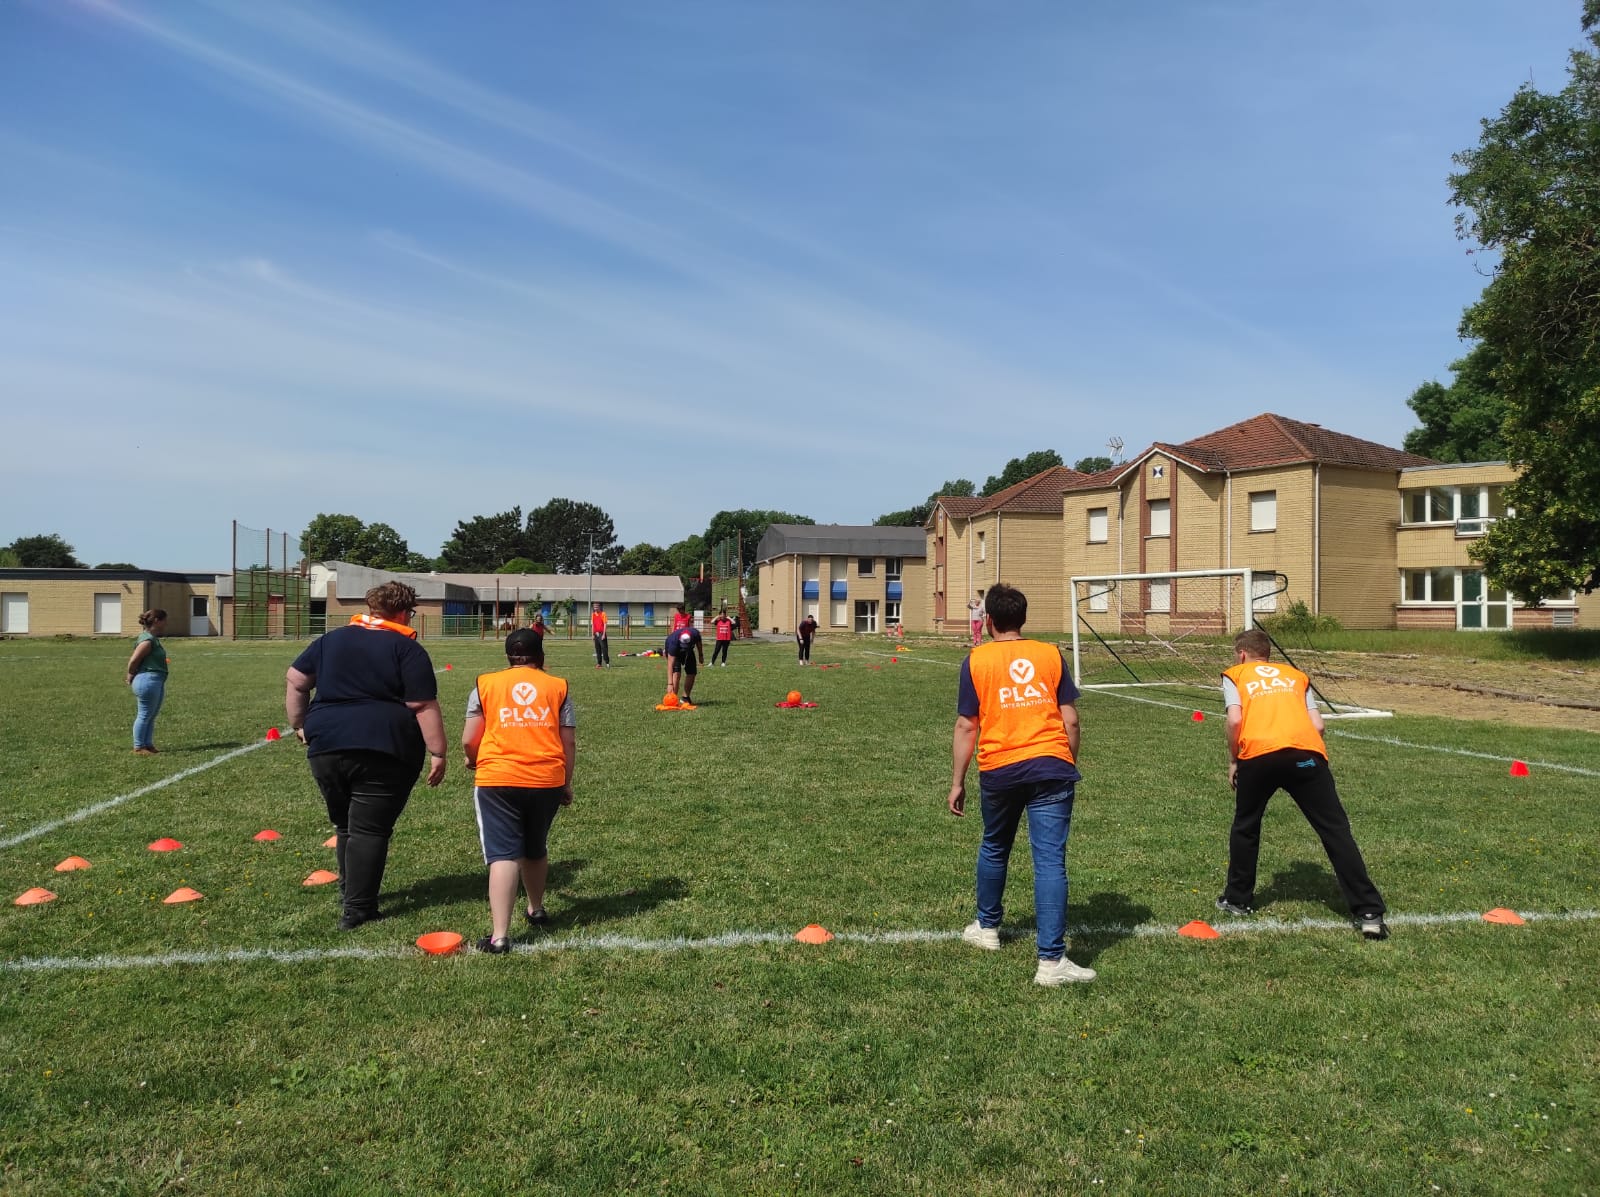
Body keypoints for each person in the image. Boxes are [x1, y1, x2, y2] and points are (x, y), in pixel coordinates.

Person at [947, 583, 1095, 986]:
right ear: (1023, 620)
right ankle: (1051, 962)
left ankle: (987, 929)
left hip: (999, 769)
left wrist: (957, 782)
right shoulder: (1050, 654)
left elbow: (966, 725)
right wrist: (1066, 761)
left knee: (995, 845)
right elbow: (1072, 720)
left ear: (988, 620)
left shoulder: (975, 660)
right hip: (1051, 767)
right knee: (1050, 861)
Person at [285, 581, 448, 931]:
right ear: (405, 612)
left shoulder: (330, 640)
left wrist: (300, 724)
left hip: (326, 743)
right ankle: (358, 908)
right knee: (370, 829)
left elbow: (296, 680)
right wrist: (438, 751)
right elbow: (421, 704)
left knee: (346, 824)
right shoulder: (406, 649)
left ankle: (350, 892)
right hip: (384, 745)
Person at [1218, 630, 1389, 940]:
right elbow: (1319, 725)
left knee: (1247, 825)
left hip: (1259, 755)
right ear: (1267, 654)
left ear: (1242, 655)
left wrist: (1235, 760)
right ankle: (1369, 913)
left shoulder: (1236, 675)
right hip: (1306, 754)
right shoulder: (1297, 676)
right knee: (1335, 830)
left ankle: (1237, 900)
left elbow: (1234, 721)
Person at [462, 628, 575, 954]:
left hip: (498, 778)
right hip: (546, 780)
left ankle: (500, 936)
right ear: (541, 655)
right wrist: (565, 782)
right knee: (535, 846)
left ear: (508, 656)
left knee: (503, 854)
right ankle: (536, 908)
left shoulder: (485, 684)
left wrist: (473, 760)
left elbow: (470, 739)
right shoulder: (559, 687)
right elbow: (568, 741)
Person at [125, 608, 169, 755]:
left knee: (151, 714)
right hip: (147, 680)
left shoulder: (151, 638)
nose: (165, 624)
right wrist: (131, 673)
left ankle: (148, 745)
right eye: (164, 620)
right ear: (157, 621)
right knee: (144, 714)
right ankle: (139, 747)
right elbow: (134, 660)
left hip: (155, 680)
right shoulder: (147, 640)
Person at [667, 624, 704, 704]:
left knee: (692, 672)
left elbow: (699, 643)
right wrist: (670, 684)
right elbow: (670, 664)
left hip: (689, 650)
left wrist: (700, 655)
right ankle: (673, 698)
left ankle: (685, 698)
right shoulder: (673, 642)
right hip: (676, 651)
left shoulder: (695, 634)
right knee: (676, 673)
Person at [591, 604, 610, 668]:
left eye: (597, 607)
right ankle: (599, 663)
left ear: (599, 607)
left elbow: (605, 624)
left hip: (602, 633)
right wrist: (593, 634)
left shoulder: (603, 614)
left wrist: (604, 634)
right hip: (596, 633)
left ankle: (607, 662)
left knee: (604, 648)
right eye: (594, 607)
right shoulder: (593, 614)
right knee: (597, 649)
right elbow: (593, 625)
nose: (595, 608)